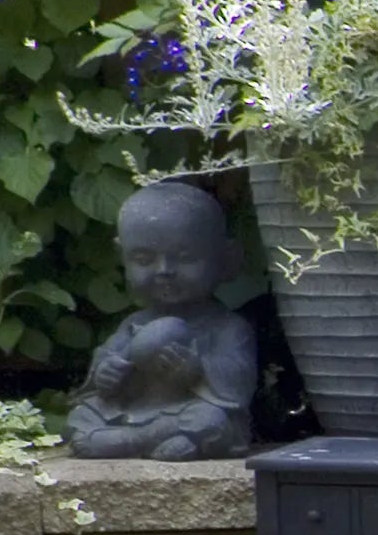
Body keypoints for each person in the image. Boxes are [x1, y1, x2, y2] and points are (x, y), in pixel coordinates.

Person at [66, 180, 256, 460]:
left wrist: (197, 370)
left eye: (185, 258)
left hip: (188, 412)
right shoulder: (133, 323)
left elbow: (239, 381)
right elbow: (104, 370)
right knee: (80, 418)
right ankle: (147, 440)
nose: (164, 271)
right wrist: (106, 374)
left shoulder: (228, 327)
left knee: (213, 421)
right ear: (122, 257)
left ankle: (125, 442)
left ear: (226, 259)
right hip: (136, 410)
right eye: (144, 260)